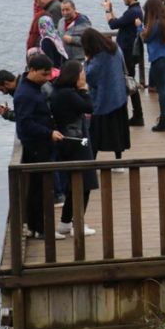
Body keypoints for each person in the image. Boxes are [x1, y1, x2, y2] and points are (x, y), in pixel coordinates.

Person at [13, 54, 65, 239]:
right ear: (32, 70)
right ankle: (42, 230)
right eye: (44, 74)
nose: (47, 78)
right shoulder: (25, 94)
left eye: (49, 74)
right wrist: (48, 133)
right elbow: (25, 123)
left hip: (41, 144)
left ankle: (36, 228)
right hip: (36, 146)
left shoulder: (33, 87)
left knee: (37, 188)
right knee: (42, 188)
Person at [48, 60, 98, 237]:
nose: (84, 76)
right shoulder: (69, 94)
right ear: (74, 76)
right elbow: (89, 107)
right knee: (85, 183)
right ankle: (78, 223)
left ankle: (65, 223)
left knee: (75, 184)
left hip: (69, 142)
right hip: (77, 143)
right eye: (81, 73)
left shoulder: (59, 92)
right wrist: (84, 90)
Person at [80, 28, 131, 161]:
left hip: (103, 100)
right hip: (119, 97)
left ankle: (92, 159)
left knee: (95, 133)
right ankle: (118, 159)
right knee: (117, 132)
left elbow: (90, 76)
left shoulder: (98, 58)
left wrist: (86, 62)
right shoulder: (115, 48)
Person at [104, 0, 144, 126]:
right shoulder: (134, 10)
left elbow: (112, 25)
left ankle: (136, 115)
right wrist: (111, 11)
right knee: (129, 83)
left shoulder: (133, 12)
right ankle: (137, 115)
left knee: (128, 83)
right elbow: (119, 22)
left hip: (127, 53)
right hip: (129, 53)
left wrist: (107, 10)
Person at [140, 0, 165, 132]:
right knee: (163, 89)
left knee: (162, 90)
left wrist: (139, 28)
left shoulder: (156, 23)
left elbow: (146, 39)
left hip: (158, 58)